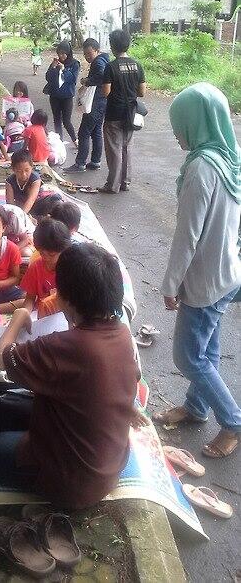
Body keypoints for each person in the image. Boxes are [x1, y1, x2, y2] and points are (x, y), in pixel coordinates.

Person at [0, 243, 137, 510]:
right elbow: (126, 380)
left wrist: (19, 318)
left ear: (64, 296)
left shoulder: (68, 346)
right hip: (108, 463)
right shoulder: (122, 333)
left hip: (71, 482)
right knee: (6, 405)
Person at [155, 83, 241, 458]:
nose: (175, 133)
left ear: (196, 120)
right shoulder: (227, 159)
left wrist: (170, 285)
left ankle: (233, 421)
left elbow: (188, 236)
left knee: (188, 357)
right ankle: (195, 408)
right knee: (206, 348)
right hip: (226, 273)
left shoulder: (202, 169)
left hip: (206, 280)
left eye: (179, 124)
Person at [98, 29, 146, 193]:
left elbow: (106, 92)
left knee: (114, 149)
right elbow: (142, 92)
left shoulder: (111, 67)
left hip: (114, 114)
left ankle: (113, 185)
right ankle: (125, 182)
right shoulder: (137, 65)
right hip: (131, 113)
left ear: (112, 46)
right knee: (127, 147)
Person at [65, 38, 109, 173]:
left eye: (89, 53)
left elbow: (101, 75)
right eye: (85, 54)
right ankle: (95, 161)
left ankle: (80, 163)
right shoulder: (105, 60)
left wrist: (87, 80)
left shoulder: (99, 62)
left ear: (97, 51)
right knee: (96, 131)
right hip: (102, 102)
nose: (87, 57)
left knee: (84, 132)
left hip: (96, 103)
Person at [20, 218, 72, 316]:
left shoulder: (71, 270)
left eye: (52, 255)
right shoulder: (36, 267)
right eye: (41, 253)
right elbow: (30, 299)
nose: (46, 258)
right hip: (42, 314)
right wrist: (24, 315)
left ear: (64, 250)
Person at [6, 150, 61, 218]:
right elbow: (10, 204)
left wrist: (21, 216)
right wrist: (15, 215)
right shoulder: (9, 181)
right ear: (13, 169)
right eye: (19, 171)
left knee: (56, 202)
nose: (23, 174)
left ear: (32, 167)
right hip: (21, 207)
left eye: (27, 170)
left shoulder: (35, 179)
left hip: (37, 204)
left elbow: (31, 200)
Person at [45, 41, 80, 145]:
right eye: (59, 53)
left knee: (66, 121)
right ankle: (59, 142)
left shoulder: (75, 64)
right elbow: (48, 77)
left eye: (63, 53)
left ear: (68, 53)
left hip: (67, 96)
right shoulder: (56, 62)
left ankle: (75, 140)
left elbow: (73, 79)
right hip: (55, 95)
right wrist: (52, 67)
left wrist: (64, 69)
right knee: (57, 120)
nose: (61, 56)